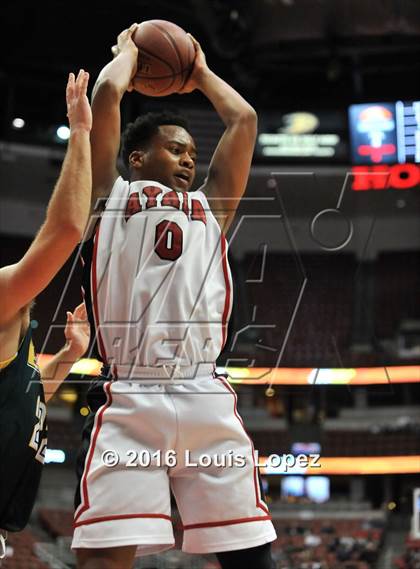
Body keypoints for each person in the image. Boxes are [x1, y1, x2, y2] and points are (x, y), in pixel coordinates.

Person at [72, 24, 276, 569]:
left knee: (250, 554)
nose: (189, 160)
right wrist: (128, 52)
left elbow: (244, 120)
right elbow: (109, 96)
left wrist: (200, 72)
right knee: (106, 555)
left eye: (192, 152)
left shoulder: (213, 209)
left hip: (204, 390)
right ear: (136, 158)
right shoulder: (109, 196)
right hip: (132, 393)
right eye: (175, 149)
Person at [0, 70, 92, 537]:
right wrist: (80, 132)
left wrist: (69, 356)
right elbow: (67, 231)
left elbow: (26, 397)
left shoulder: (14, 334)